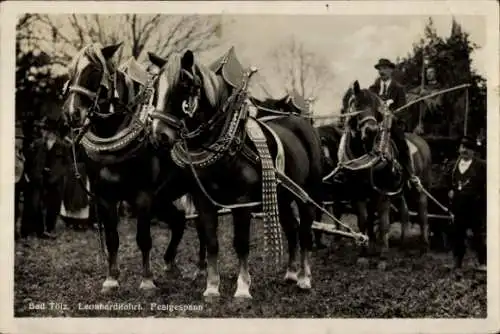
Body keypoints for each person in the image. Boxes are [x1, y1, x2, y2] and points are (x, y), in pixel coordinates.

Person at [369, 58, 420, 189]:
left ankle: (410, 173)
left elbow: (403, 111)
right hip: (375, 125)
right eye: (380, 69)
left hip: (392, 125)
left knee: (401, 143)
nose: (382, 71)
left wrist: (393, 117)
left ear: (391, 70)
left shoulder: (398, 89)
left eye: (385, 68)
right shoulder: (372, 89)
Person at [21, 116, 70, 239]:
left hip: (55, 180)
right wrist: (28, 174)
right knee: (36, 204)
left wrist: (58, 173)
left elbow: (67, 164)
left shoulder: (62, 146)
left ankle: (50, 228)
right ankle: (38, 230)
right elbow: (29, 160)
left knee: (53, 205)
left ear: (51, 132)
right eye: (42, 129)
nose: (42, 132)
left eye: (44, 129)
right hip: (40, 179)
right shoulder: (37, 144)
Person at [447, 136, 486, 272]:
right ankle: (457, 262)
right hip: (458, 205)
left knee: (477, 234)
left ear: (473, 151)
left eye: (468, 149)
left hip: (475, 205)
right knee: (457, 233)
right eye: (462, 148)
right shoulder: (453, 165)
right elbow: (447, 182)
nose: (464, 151)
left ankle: (482, 262)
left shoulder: (481, 165)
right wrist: (450, 190)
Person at [15, 124, 26, 240]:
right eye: (19, 139)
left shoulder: (20, 152)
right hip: (11, 183)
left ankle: (15, 231)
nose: (21, 141)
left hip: (18, 183)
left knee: (17, 210)